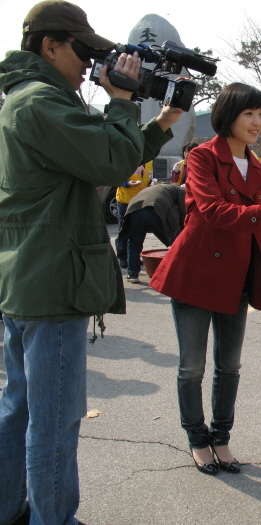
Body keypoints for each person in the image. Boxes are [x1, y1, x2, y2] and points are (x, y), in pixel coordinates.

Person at [0, 1, 181, 523]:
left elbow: (104, 155)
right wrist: (121, 100)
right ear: (49, 45)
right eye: (84, 51)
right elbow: (105, 157)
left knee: (20, 408)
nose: (91, 64)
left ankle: (12, 507)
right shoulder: (41, 103)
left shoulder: (28, 100)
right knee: (53, 419)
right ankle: (52, 518)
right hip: (53, 282)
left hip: (30, 278)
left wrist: (163, 121)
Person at [149, 83, 261, 477]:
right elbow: (211, 211)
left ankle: (221, 437)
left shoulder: (255, 164)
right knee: (192, 366)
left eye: (260, 114)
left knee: (230, 365)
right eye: (249, 115)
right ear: (229, 117)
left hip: (237, 274)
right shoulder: (203, 156)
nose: (257, 123)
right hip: (196, 272)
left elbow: (248, 220)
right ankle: (196, 438)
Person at [115, 183, 186, 283]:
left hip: (134, 209)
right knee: (175, 242)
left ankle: (133, 274)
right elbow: (184, 212)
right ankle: (180, 270)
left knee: (134, 242)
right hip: (154, 209)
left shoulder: (161, 187)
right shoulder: (181, 191)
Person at [115, 164, 151, 267]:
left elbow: (149, 177)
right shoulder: (130, 158)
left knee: (139, 230)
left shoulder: (150, 162)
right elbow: (117, 178)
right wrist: (127, 183)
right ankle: (122, 256)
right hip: (125, 200)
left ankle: (133, 257)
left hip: (141, 200)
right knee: (124, 230)